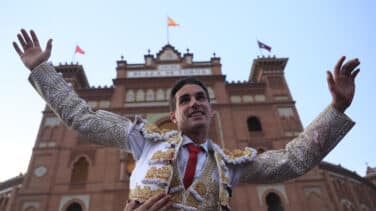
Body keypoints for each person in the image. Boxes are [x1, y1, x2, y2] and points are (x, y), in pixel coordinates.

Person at [14, 29, 360, 210]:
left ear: (211, 111)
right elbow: (82, 118)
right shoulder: (144, 140)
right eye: (185, 100)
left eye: (200, 98)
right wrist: (41, 69)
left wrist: (336, 110)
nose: (194, 103)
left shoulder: (229, 165)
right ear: (173, 115)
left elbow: (292, 161)